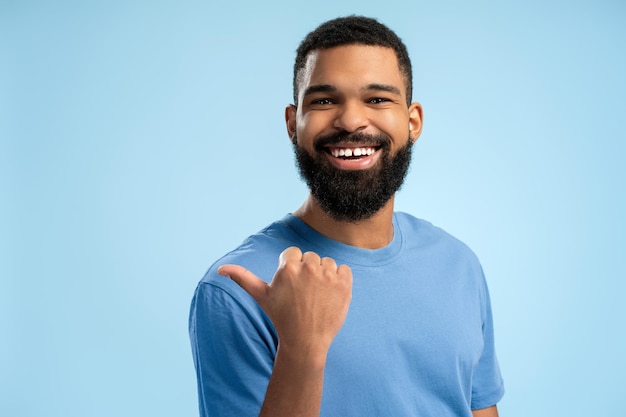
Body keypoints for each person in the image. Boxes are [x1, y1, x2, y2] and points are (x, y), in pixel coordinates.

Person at [189, 15, 504, 417]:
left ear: (413, 122)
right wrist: (303, 347)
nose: (352, 120)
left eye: (377, 99)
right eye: (323, 100)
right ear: (292, 124)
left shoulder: (458, 264)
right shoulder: (239, 290)